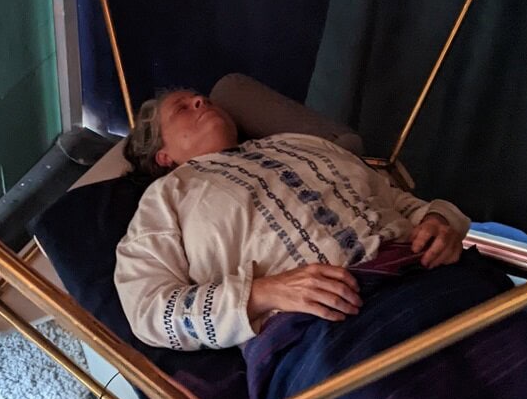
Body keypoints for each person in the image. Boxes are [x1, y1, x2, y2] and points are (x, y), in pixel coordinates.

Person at [115, 89, 469, 352]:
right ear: (163, 155)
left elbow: (396, 200)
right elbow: (149, 310)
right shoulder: (165, 198)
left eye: (202, 99)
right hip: (326, 333)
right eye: (183, 107)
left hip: (429, 278)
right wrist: (261, 293)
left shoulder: (301, 144)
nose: (200, 102)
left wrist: (439, 220)